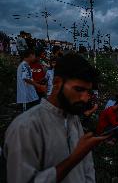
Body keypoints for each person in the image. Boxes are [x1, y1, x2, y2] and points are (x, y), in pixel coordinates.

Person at [4, 53, 110, 183]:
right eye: (78, 89)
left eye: (88, 92)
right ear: (57, 82)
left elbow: (87, 169)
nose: (84, 98)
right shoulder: (26, 127)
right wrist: (73, 159)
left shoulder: (73, 119)